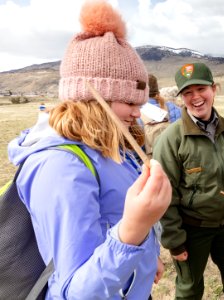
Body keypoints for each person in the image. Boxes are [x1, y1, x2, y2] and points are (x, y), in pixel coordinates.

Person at [7, 1, 171, 298]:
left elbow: (111, 218)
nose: (138, 113)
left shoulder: (110, 145)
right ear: (94, 98)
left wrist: (147, 257)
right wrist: (134, 229)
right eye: (130, 103)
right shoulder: (62, 167)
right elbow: (74, 292)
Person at [152, 62, 224, 300]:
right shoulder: (171, 139)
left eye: (201, 89)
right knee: (189, 290)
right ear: (181, 98)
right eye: (188, 92)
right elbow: (165, 196)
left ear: (214, 89)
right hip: (192, 229)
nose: (196, 97)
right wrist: (174, 241)